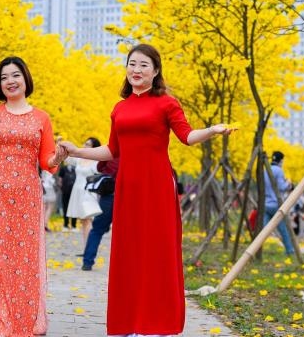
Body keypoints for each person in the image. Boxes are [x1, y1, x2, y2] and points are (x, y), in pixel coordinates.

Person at [60, 43, 233, 336]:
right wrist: (76, 151)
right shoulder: (120, 108)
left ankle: (157, 325)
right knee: (128, 252)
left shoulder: (167, 103)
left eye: (143, 65)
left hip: (156, 187)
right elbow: (112, 149)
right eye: (132, 64)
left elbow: (187, 136)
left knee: (157, 252)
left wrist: (212, 130)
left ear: (155, 71)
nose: (136, 70)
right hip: (128, 187)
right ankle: (129, 323)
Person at [0, 56, 66, 337]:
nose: (10, 81)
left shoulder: (41, 117)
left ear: (25, 78)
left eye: (15, 75)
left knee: (25, 260)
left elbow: (47, 162)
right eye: (4, 77)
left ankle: (25, 321)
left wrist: (60, 156)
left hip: (27, 196)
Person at [81, 157, 118, 271]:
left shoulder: (113, 152)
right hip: (126, 196)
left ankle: (87, 262)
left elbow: (99, 167)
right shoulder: (135, 153)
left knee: (97, 230)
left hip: (108, 196)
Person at [66, 137, 102, 251]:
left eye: (88, 144)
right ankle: (86, 247)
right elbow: (67, 159)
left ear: (93, 147)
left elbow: (100, 175)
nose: (85, 146)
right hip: (77, 190)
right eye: (85, 143)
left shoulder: (96, 162)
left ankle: (89, 248)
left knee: (88, 219)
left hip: (88, 192)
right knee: (83, 220)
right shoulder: (79, 159)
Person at [262, 151, 295, 255]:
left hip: (265, 203)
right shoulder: (278, 171)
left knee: (263, 230)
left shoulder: (265, 170)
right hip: (275, 204)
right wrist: (289, 183)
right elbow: (282, 187)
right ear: (281, 160)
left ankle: (256, 250)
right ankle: (290, 250)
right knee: (283, 229)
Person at [58, 158, 77, 231]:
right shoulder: (63, 169)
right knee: (65, 207)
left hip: (74, 192)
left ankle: (74, 225)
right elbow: (60, 180)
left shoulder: (75, 169)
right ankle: (65, 225)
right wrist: (61, 187)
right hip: (65, 191)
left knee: (74, 207)